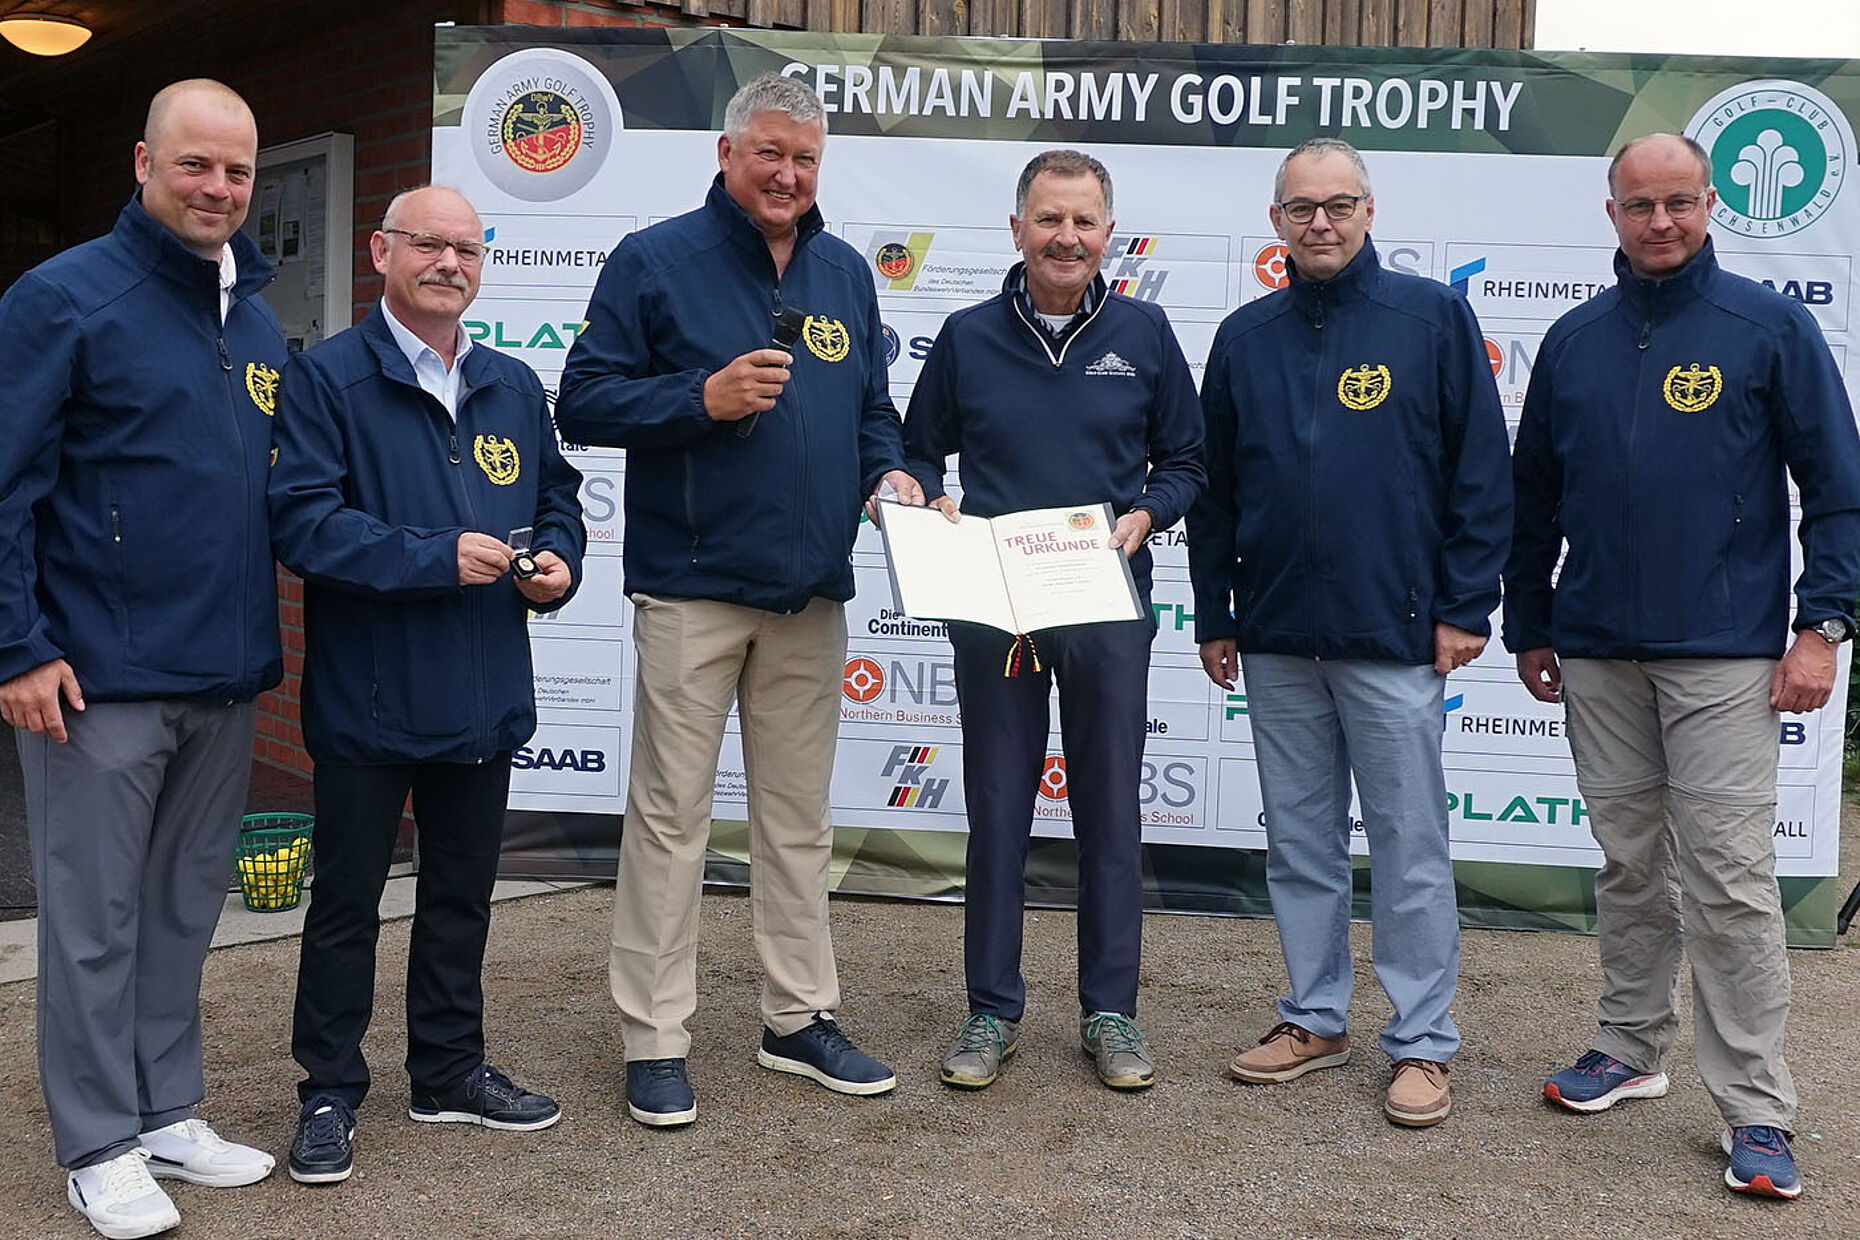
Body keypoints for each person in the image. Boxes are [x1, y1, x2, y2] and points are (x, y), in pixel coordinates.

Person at [554, 72, 922, 1128]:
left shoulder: (846, 271)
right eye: (770, 152)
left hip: (810, 597)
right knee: (670, 821)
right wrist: (698, 401)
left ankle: (796, 1018)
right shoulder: (655, 258)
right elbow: (582, 398)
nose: (788, 174)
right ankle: (654, 1035)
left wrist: (887, 473)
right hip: (694, 591)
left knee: (796, 822)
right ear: (728, 152)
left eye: (805, 158)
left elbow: (873, 412)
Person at [1504, 132, 1860, 1200]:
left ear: (1711, 204)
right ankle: (1630, 1045)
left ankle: (1757, 1109)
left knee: (1729, 881)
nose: (1660, 222)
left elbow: (1837, 489)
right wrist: (1531, 621)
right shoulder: (1573, 340)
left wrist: (1823, 626)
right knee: (1627, 862)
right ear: (1610, 211)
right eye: (1639, 204)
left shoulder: (1768, 326)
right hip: (1600, 652)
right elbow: (1534, 502)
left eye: (1679, 203)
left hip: (1726, 658)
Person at [0, 79, 285, 1239]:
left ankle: (165, 1108)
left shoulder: (256, 317)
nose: (219, 189)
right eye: (197, 166)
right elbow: (6, 484)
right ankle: (97, 1142)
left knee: (178, 909)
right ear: (142, 163)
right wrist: (16, 644)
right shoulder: (61, 298)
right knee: (92, 918)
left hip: (222, 674)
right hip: (94, 678)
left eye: (238, 172)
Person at [1186, 137, 1511, 1128]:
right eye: (1300, 208)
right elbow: (1216, 492)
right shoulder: (1246, 337)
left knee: (1410, 846)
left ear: (1370, 211)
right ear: (1276, 219)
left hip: (1396, 635)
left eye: (1338, 204)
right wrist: (1214, 611)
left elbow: (1480, 474)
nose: (1319, 222)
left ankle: (1421, 1041)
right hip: (1279, 635)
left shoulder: (1431, 319)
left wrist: (1464, 606)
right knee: (1300, 842)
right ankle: (1314, 1016)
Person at [268, 186, 585, 1184]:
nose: (449, 262)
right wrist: (431, 555)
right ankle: (327, 1089)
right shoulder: (326, 380)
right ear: (380, 252)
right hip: (368, 699)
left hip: (483, 692)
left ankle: (447, 1071)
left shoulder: (508, 381)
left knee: (460, 899)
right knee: (347, 907)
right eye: (428, 245)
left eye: (466, 248)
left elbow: (556, 499)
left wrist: (559, 565)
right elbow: (304, 525)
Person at [900, 150, 1204, 1092]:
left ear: (1109, 233)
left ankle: (1110, 1011)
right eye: (1048, 220)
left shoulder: (1147, 336)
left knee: (1110, 806)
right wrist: (923, 497)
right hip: (996, 612)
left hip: (1106, 604)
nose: (1065, 237)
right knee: (998, 805)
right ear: (1018, 228)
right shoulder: (966, 335)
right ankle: (991, 1008)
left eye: (1083, 221)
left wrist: (1148, 513)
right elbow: (916, 455)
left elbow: (1188, 463)